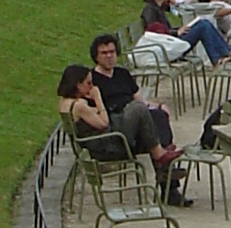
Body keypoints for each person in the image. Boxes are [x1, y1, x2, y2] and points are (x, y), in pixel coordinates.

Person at [58, 61, 185, 197]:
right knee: (139, 109)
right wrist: (98, 98)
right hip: (107, 147)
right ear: (78, 84)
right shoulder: (79, 106)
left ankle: (163, 164)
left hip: (100, 141)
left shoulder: (66, 103)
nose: (92, 87)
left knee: (154, 119)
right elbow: (104, 123)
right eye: (88, 83)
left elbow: (95, 115)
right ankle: (161, 157)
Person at [90, 32, 174, 153]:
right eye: (104, 53)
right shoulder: (92, 79)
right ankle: (162, 155)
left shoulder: (122, 73)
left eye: (112, 52)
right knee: (139, 109)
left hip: (135, 116)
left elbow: (140, 99)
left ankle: (164, 154)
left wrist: (159, 106)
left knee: (159, 115)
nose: (109, 56)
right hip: (116, 122)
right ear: (96, 56)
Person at [139, 0, 231, 65]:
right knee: (203, 26)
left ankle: (223, 54)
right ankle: (218, 58)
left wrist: (179, 29)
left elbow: (163, 29)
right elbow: (153, 33)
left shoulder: (159, 8)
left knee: (204, 23)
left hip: (170, 43)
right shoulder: (150, 10)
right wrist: (176, 32)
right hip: (167, 47)